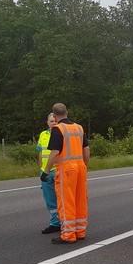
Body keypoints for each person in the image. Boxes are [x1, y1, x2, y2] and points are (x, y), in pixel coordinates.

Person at [41, 103, 90, 244]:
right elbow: (86, 150)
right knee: (80, 199)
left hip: (66, 169)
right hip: (80, 167)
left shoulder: (58, 129)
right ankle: (80, 231)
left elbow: (55, 152)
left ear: (55, 116)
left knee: (66, 200)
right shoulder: (79, 128)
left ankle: (68, 234)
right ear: (67, 112)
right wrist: (84, 165)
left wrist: (46, 170)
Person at [37, 113, 60, 234]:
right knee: (50, 200)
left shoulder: (61, 133)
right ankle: (55, 223)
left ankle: (65, 222)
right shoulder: (43, 135)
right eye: (51, 121)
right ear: (47, 122)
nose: (53, 123)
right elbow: (40, 152)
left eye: (55, 121)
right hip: (45, 171)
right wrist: (41, 169)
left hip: (58, 170)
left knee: (61, 199)